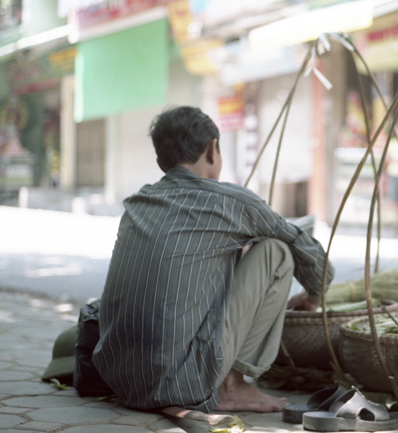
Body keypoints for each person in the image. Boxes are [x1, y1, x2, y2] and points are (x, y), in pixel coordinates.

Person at [92, 106, 334, 414]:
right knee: (277, 252)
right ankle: (231, 385)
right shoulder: (230, 201)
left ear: (160, 162)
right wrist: (313, 296)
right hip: (182, 384)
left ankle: (219, 379)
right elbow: (312, 255)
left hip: (121, 380)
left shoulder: (138, 204)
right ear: (212, 150)